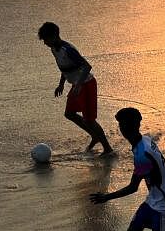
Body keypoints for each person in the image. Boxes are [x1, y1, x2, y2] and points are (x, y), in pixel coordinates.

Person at [37, 22, 114, 154]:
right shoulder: (54, 50)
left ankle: (108, 149)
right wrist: (61, 84)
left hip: (87, 84)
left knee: (89, 120)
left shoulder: (68, 50)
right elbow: (64, 68)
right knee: (69, 113)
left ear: (54, 36)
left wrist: (78, 85)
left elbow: (87, 67)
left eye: (46, 39)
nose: (45, 43)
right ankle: (95, 136)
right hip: (77, 85)